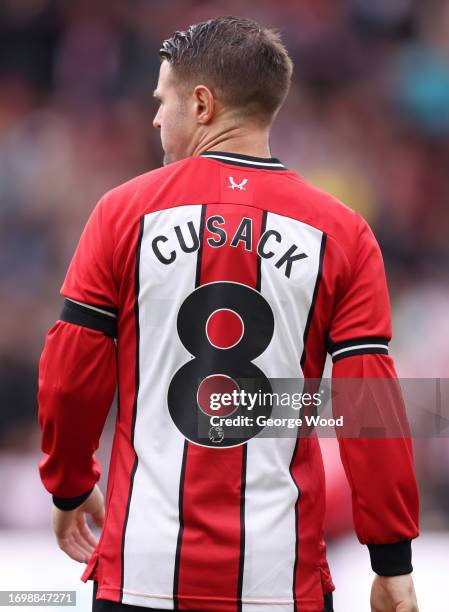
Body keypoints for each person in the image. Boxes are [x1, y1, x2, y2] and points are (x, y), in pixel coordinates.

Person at [37, 16, 420, 612]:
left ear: (202, 103)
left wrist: (68, 487)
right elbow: (369, 408)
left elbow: (67, 379)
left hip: (142, 573)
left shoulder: (121, 215)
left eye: (162, 102)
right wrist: (392, 559)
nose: (156, 118)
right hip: (278, 579)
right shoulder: (343, 234)